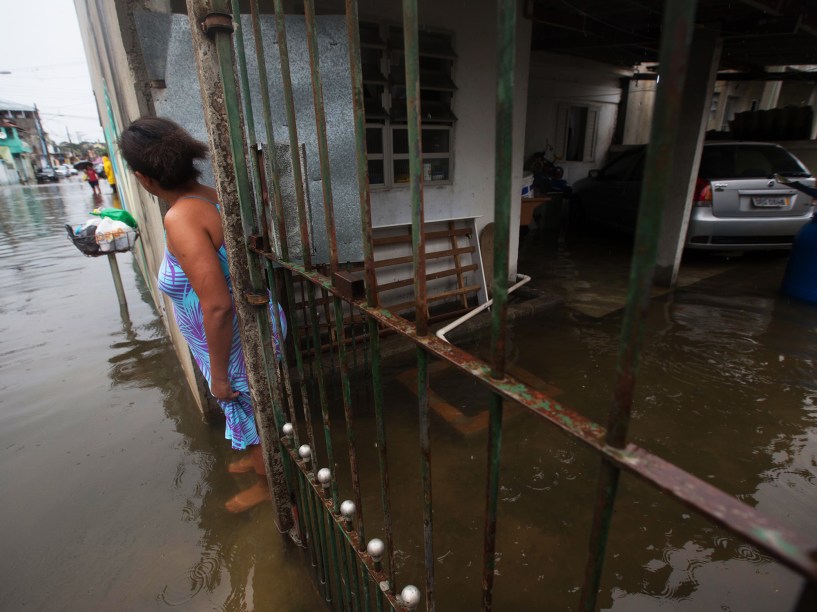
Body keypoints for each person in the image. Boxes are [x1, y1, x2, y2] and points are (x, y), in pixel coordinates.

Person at [120, 116, 286, 513]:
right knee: (254, 406)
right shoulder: (214, 194)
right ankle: (257, 459)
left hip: (235, 339)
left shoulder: (181, 218)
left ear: (144, 178)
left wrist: (218, 375)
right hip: (254, 326)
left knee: (248, 405)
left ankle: (269, 487)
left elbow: (216, 305)